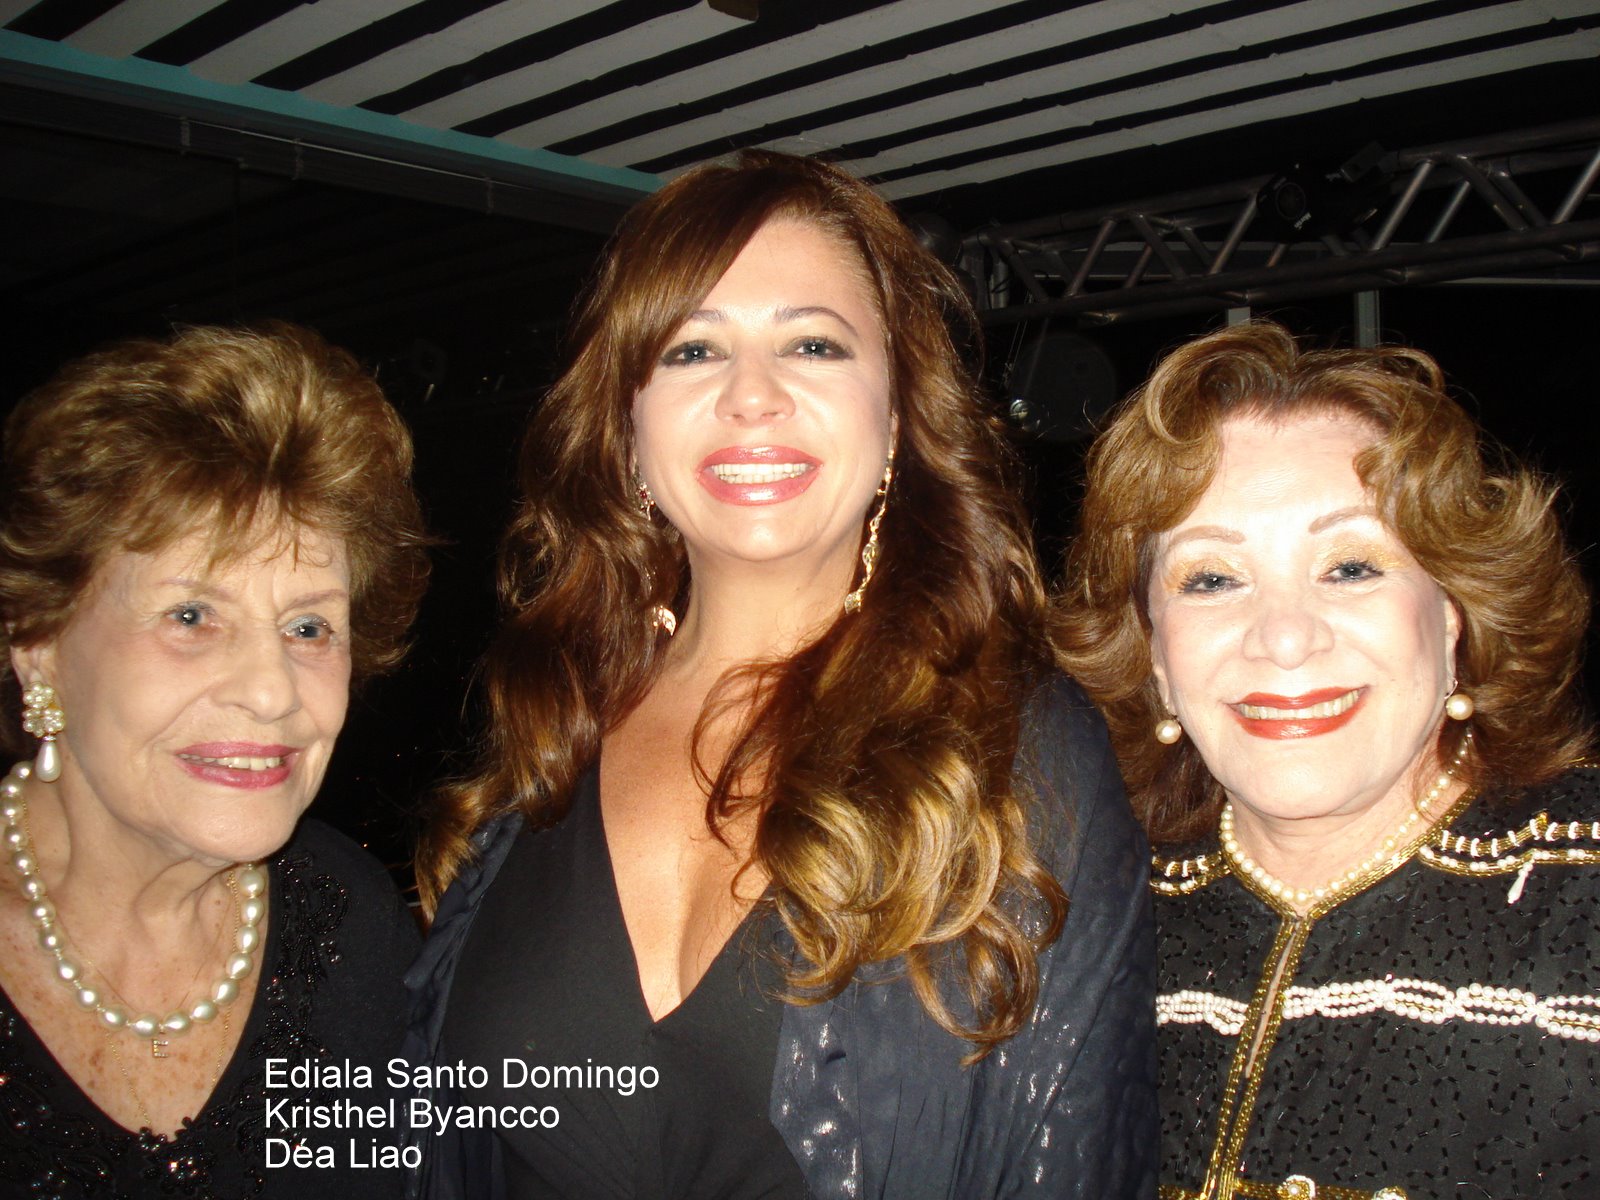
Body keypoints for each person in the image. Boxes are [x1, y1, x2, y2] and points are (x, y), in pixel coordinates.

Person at [405, 150, 1155, 1199]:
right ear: (627, 429)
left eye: (812, 343)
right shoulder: (549, 733)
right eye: (691, 349)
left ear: (897, 420)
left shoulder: (1023, 757)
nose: (751, 395)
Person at [1056, 320, 1598, 1199]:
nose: (1284, 638)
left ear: (1453, 612)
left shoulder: (1580, 896)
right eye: (1211, 578)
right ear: (1153, 653)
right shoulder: (1080, 918)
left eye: (1350, 566)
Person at [0, 324, 432, 1197]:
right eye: (192, 617)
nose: (271, 691)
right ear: (40, 645)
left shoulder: (353, 923)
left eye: (308, 627)